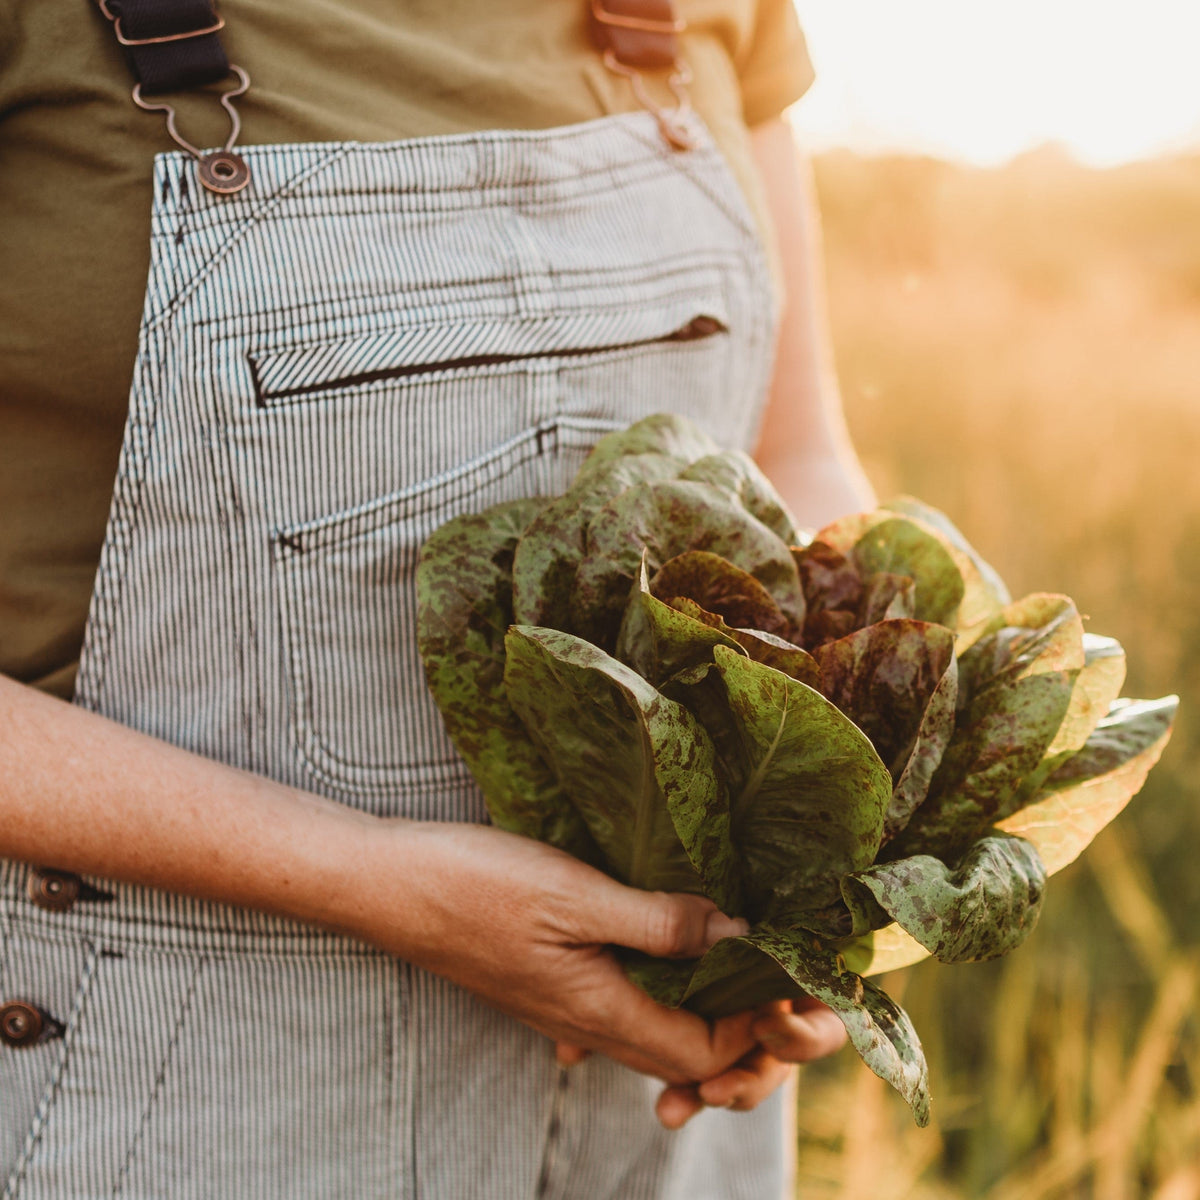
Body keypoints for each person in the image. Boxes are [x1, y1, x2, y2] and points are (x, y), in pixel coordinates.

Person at [0, 1, 875, 1195]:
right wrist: (362, 874)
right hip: (167, 1090)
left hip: (666, 1108)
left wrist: (820, 900)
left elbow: (796, 465)